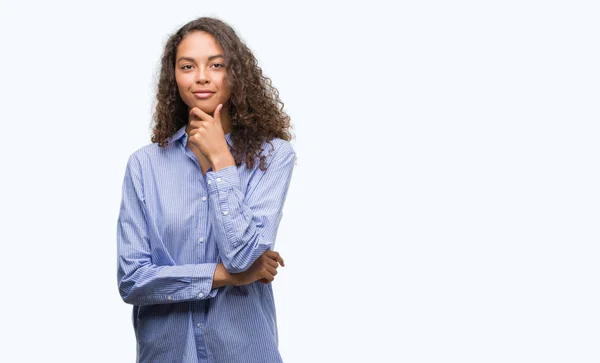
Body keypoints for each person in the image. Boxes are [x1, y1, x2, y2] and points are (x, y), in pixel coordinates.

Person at [116, 16, 296, 363]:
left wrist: (221, 159)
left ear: (236, 74)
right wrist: (226, 276)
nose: (201, 76)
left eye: (216, 65)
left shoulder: (273, 156)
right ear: (174, 77)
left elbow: (242, 253)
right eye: (188, 66)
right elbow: (133, 280)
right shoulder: (144, 165)